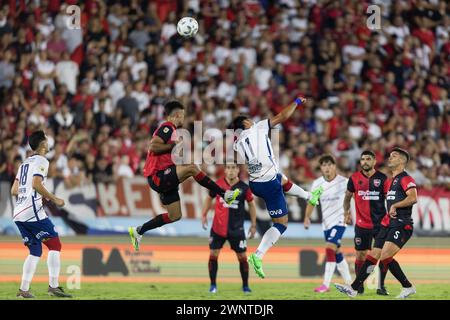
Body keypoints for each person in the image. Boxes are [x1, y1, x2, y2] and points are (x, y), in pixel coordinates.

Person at [129, 100, 241, 250]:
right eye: (183, 115)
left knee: (175, 215)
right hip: (158, 175)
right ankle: (224, 194)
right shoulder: (167, 127)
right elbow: (153, 146)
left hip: (164, 176)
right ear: (177, 115)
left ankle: (138, 231)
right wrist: (174, 146)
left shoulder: (172, 131)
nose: (184, 118)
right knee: (192, 168)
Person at [232, 97, 323, 279]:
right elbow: (282, 116)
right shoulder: (257, 128)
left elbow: (240, 163)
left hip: (256, 183)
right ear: (246, 123)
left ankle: (309, 196)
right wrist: (296, 102)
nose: (253, 120)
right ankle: (258, 256)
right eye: (250, 119)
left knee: (282, 178)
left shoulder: (237, 144)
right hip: (268, 184)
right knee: (281, 224)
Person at [335, 148, 418, 299]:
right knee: (373, 255)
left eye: (394, 156)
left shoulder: (406, 178)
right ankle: (354, 288)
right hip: (388, 223)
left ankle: (407, 286)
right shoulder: (392, 180)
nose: (390, 158)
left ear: (402, 161)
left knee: (385, 256)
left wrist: (395, 206)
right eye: (390, 155)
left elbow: (413, 198)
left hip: (401, 223)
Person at [11, 130, 72, 298]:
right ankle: (53, 287)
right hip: (32, 212)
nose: (48, 141)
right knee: (55, 245)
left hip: (18, 213)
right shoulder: (42, 161)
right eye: (46, 138)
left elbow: (14, 190)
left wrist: (31, 193)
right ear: (43, 144)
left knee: (35, 251)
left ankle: (23, 290)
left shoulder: (24, 163)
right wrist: (53, 198)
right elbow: (36, 183)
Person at [201, 162, 257, 294]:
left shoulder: (244, 187)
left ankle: (245, 286)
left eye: (233, 168)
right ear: (224, 170)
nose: (231, 171)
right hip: (218, 228)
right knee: (213, 254)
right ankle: (213, 285)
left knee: (242, 257)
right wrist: (204, 214)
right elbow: (209, 198)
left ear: (238, 170)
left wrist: (253, 225)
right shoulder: (217, 185)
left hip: (236, 229)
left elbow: (252, 205)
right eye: (228, 168)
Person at [343, 150, 390, 295]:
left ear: (374, 161)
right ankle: (360, 285)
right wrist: (346, 212)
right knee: (360, 256)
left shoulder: (382, 178)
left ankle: (381, 286)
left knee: (383, 255)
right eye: (362, 159)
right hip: (362, 225)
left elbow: (390, 198)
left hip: (381, 225)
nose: (365, 162)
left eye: (368, 159)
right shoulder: (354, 178)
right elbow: (347, 197)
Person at [304, 154, 352, 292]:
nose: (327, 168)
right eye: (324, 165)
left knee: (329, 248)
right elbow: (312, 201)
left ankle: (325, 285)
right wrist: (307, 217)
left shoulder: (344, 182)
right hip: (326, 224)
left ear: (335, 166)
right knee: (337, 252)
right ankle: (350, 284)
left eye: (329, 164)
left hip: (340, 221)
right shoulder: (317, 183)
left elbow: (353, 198)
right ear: (321, 168)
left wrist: (350, 213)